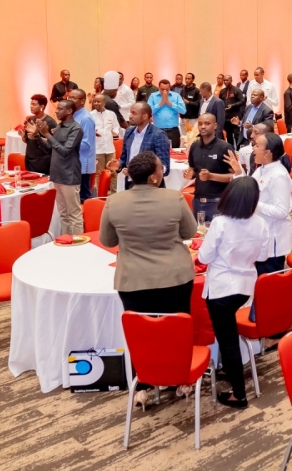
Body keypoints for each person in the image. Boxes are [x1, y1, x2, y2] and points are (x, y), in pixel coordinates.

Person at [99, 149, 197, 409]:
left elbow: (107, 240)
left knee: (140, 333)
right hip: (174, 276)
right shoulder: (174, 198)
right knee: (177, 329)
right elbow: (190, 232)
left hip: (133, 279)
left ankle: (142, 384)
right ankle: (180, 381)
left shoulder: (114, 202)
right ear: (154, 177)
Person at [197, 176, 272, 410]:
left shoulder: (221, 223)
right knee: (229, 339)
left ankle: (239, 394)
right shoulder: (260, 223)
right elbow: (262, 257)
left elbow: (203, 258)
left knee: (227, 340)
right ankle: (231, 371)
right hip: (244, 288)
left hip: (220, 288)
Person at [249, 133, 292, 275]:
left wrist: (255, 204)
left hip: (273, 240)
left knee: (269, 288)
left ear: (267, 153)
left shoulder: (278, 175)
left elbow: (282, 211)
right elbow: (250, 189)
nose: (253, 149)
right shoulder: (261, 169)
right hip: (260, 234)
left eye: (256, 146)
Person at [38, 100, 83, 235]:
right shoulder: (59, 127)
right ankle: (66, 241)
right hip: (57, 174)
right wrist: (36, 137)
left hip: (69, 175)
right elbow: (50, 149)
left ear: (69, 111)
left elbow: (65, 151)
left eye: (60, 109)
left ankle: (78, 244)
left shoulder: (76, 128)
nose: (56, 111)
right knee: (63, 214)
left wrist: (47, 134)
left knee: (74, 215)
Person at [184, 113, 236, 222]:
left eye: (207, 123)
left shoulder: (225, 147)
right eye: (200, 124)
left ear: (215, 125)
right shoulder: (194, 146)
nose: (203, 126)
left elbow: (235, 176)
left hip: (218, 202)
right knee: (198, 235)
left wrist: (211, 176)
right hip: (198, 200)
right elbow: (193, 169)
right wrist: (190, 174)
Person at [108, 102, 172, 190]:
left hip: (150, 187)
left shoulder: (158, 135)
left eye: (134, 113)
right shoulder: (129, 132)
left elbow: (164, 168)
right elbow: (124, 159)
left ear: (145, 116)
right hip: (130, 185)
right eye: (130, 112)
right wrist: (119, 165)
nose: (130, 116)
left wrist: (137, 173)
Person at [68, 90, 96, 202]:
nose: (70, 100)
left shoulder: (86, 118)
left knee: (82, 198)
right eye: (69, 97)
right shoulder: (72, 115)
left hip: (83, 164)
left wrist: (66, 142)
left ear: (82, 101)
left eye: (73, 98)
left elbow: (86, 144)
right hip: (73, 162)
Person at [90, 93, 120, 195]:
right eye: (94, 101)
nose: (96, 103)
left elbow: (116, 126)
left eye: (98, 101)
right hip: (98, 149)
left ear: (104, 103)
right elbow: (87, 130)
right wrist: (92, 132)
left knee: (113, 172)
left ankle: (114, 194)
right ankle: (99, 194)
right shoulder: (90, 115)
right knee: (98, 173)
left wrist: (115, 132)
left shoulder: (111, 114)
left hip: (110, 148)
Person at [21, 95, 57, 175]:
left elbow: (52, 143)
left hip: (42, 159)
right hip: (30, 158)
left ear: (42, 106)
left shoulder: (50, 122)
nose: (31, 106)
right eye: (31, 104)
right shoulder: (31, 119)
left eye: (34, 104)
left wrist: (38, 135)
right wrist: (24, 136)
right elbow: (29, 140)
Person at [148, 79, 186, 149]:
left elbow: (183, 111)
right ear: (158, 88)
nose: (165, 91)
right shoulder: (153, 96)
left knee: (174, 152)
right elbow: (149, 112)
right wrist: (161, 103)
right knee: (157, 151)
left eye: (167, 89)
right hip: (158, 130)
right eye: (162, 89)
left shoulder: (176, 96)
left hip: (173, 131)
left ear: (170, 88)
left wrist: (169, 103)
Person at [219, 75, 246, 147]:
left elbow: (242, 101)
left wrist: (233, 105)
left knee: (236, 135)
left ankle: (238, 150)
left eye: (227, 80)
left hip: (235, 117)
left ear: (231, 80)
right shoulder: (222, 91)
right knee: (229, 135)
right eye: (224, 80)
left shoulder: (236, 90)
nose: (225, 82)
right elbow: (220, 102)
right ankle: (230, 149)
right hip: (226, 117)